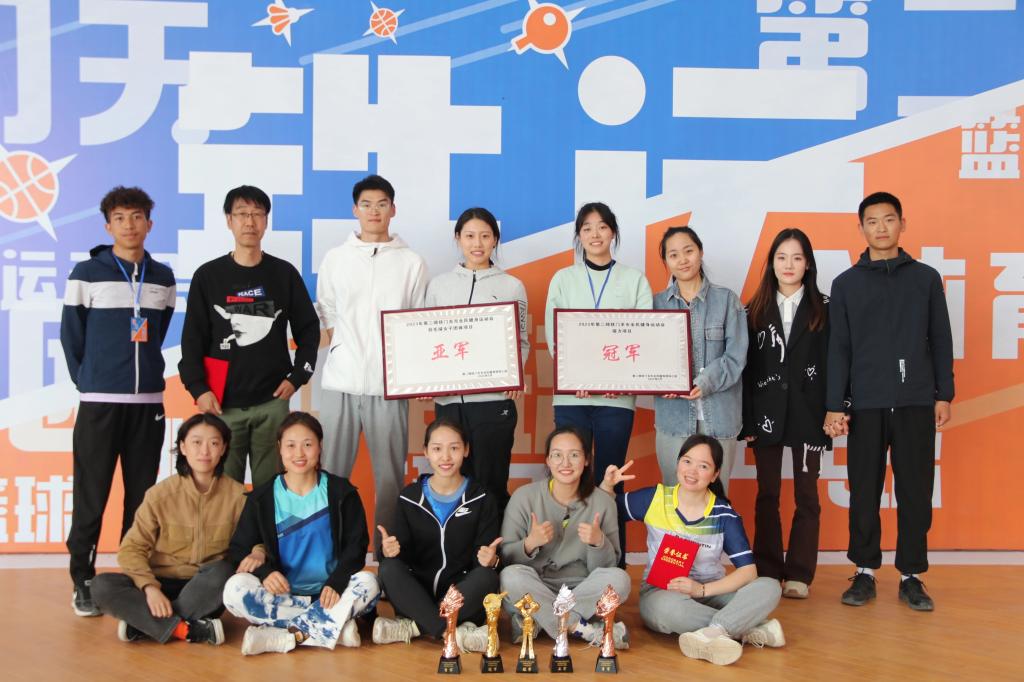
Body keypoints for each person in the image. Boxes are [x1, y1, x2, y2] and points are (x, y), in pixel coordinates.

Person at [825, 192, 954, 612]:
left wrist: (944, 393)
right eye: (872, 221)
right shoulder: (846, 284)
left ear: (902, 223)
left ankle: (911, 575)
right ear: (861, 228)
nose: (881, 228)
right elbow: (839, 348)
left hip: (916, 400)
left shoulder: (926, 278)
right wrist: (835, 403)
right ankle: (864, 571)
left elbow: (940, 339)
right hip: (865, 403)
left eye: (889, 219)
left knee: (915, 490)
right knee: (864, 489)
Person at [61, 186, 176, 617]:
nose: (130, 225)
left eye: (137, 217)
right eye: (121, 218)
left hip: (148, 403)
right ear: (108, 226)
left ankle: (133, 576)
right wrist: (90, 380)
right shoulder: (86, 273)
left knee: (141, 499)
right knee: (91, 495)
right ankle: (83, 580)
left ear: (150, 223)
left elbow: (158, 331)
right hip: (100, 402)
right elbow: (71, 335)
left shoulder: (162, 277)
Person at [178, 185, 320, 489]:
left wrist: (298, 376)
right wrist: (198, 389)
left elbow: (309, 329)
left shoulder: (283, 274)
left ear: (266, 221)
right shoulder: (208, 276)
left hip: (272, 403)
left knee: (271, 490)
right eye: (242, 214)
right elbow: (192, 339)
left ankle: (265, 526)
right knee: (221, 490)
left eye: (257, 214)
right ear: (229, 220)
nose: (249, 222)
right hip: (221, 403)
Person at [602, 436, 783, 666]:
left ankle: (714, 632)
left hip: (712, 590)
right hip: (663, 591)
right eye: (687, 461)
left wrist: (701, 589)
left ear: (715, 475)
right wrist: (607, 486)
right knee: (668, 612)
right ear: (678, 463)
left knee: (769, 586)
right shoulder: (655, 498)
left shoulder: (723, 513)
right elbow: (606, 510)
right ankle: (745, 628)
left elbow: (748, 572)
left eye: (703, 466)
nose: (692, 471)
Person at [316, 174, 429, 542]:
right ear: (355, 210)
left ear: (393, 209)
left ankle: (388, 555)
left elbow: (417, 320)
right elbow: (327, 309)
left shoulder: (411, 262)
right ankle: (332, 552)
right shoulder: (336, 258)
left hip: (388, 386)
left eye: (382, 204)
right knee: (330, 474)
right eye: (366, 204)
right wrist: (342, 347)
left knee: (390, 477)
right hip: (341, 382)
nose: (374, 211)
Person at [544, 202, 653, 565]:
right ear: (579, 235)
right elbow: (555, 336)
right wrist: (574, 376)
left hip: (616, 399)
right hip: (571, 396)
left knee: (610, 477)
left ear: (613, 233)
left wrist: (619, 379)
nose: (595, 234)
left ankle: (613, 563)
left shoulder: (634, 280)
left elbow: (644, 335)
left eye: (602, 227)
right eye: (587, 228)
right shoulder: (563, 279)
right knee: (568, 476)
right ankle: (566, 560)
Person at [222, 412, 379, 655]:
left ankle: (283, 636)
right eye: (291, 445)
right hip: (282, 596)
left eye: (307, 444)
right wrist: (265, 572)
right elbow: (238, 549)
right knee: (234, 589)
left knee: (370, 583)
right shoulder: (263, 497)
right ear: (279, 448)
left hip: (330, 594)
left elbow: (356, 546)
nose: (299, 453)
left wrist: (337, 582)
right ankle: (333, 628)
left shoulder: (341, 492)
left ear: (319, 447)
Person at [90, 414, 247, 644]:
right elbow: (131, 549)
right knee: (101, 586)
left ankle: (145, 624)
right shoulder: (160, 495)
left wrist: (258, 551)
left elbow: (253, 541)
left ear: (223, 448)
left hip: (203, 589)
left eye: (214, 443)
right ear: (183, 447)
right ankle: (188, 630)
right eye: (196, 442)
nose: (204, 451)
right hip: (159, 582)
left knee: (223, 573)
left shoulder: (238, 496)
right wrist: (150, 588)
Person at [740, 228, 830, 599]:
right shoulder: (753, 310)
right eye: (781, 257)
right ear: (771, 263)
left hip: (810, 415)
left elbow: (835, 364)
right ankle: (768, 569)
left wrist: (835, 410)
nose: (788, 265)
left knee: (807, 495)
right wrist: (747, 420)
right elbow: (746, 371)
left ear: (808, 264)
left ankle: (799, 574)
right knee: (767, 493)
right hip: (766, 415)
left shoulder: (825, 308)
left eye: (796, 257)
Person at [424, 207, 529, 510]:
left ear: (495, 239)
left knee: (491, 482)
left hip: (493, 402)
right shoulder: (439, 286)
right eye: (469, 236)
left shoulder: (511, 286)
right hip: (449, 402)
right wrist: (424, 381)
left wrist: (514, 375)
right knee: (451, 481)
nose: (477, 243)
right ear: (458, 238)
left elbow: (521, 339)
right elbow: (427, 339)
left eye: (485, 236)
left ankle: (493, 541)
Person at [373, 419, 501, 653]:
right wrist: (388, 551)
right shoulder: (409, 497)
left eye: (454, 448)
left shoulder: (482, 498)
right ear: (426, 452)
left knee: (487, 576)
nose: (446, 457)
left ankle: (416, 627)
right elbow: (399, 556)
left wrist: (491, 560)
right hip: (418, 594)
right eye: (437, 449)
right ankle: (449, 631)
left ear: (466, 450)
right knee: (389, 568)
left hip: (460, 595)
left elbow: (486, 559)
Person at [499, 426, 631, 648]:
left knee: (620, 579)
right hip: (536, 586)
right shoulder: (524, 497)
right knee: (510, 577)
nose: (565, 463)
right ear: (548, 460)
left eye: (574, 455)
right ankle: (581, 628)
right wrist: (529, 544)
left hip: (582, 591)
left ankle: (538, 622)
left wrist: (598, 543)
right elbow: (506, 557)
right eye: (557, 455)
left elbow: (608, 567)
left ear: (586, 460)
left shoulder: (603, 502)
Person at [653, 226, 747, 492]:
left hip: (719, 419)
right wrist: (661, 382)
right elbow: (647, 357)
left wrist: (704, 382)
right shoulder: (655, 304)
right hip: (673, 420)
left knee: (717, 498)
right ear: (666, 261)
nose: (682, 260)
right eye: (673, 255)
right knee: (673, 496)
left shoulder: (726, 300)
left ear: (700, 252)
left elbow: (736, 356)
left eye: (689, 251)